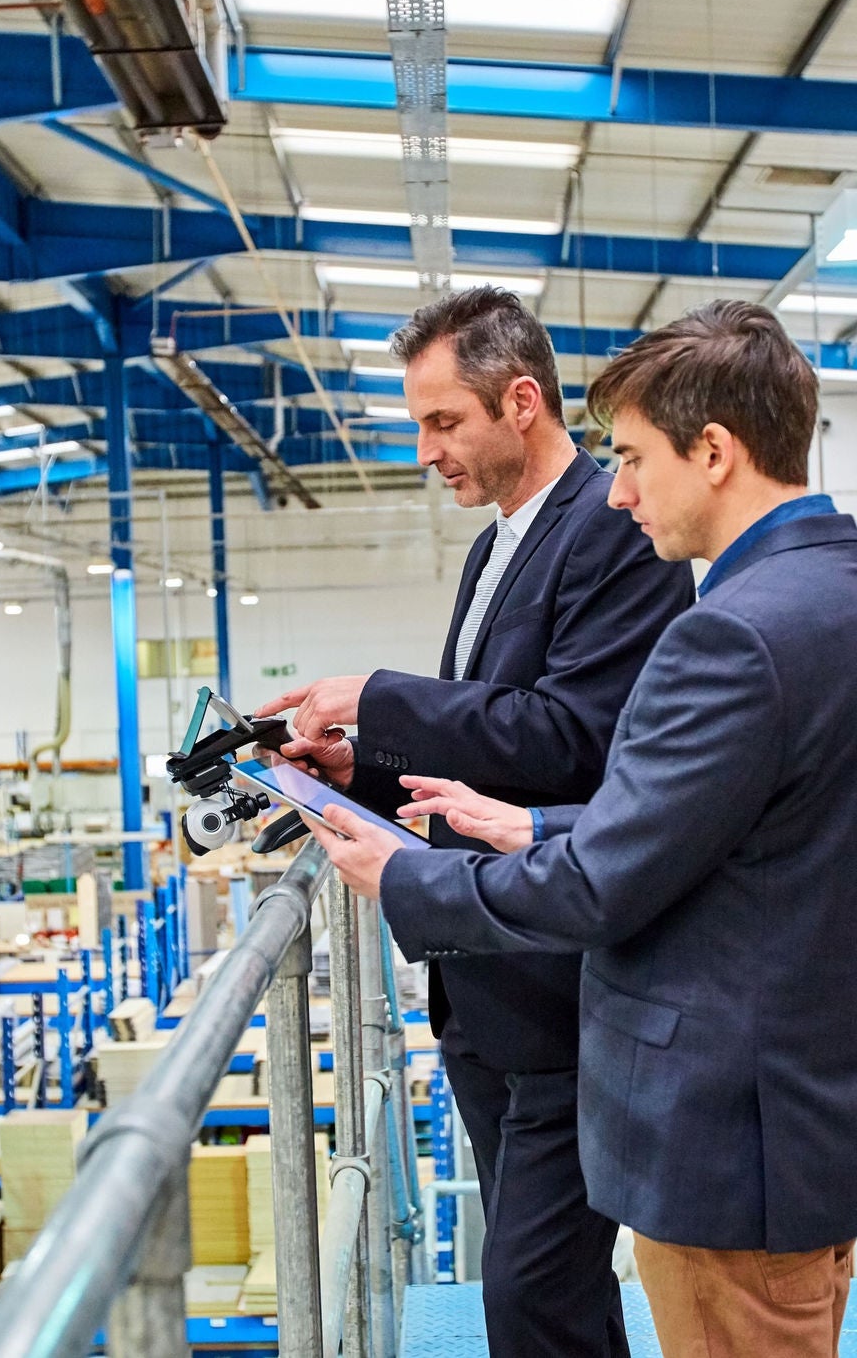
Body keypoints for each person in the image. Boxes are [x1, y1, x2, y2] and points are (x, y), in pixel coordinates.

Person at [304, 300, 857, 1358]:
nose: (619, 490)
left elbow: (600, 887)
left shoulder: (732, 635)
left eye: (637, 457)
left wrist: (406, 879)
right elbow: (731, 825)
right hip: (806, 1120)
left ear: (713, 451)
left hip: (727, 1143)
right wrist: (530, 823)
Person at [255, 286, 694, 1358]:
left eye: (441, 421)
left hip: (561, 992)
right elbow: (485, 745)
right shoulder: (495, 545)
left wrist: (380, 693)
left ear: (521, 402)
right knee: (555, 1297)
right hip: (486, 995)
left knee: (529, 1299)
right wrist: (359, 769)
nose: (424, 449)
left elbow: (569, 739)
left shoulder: (612, 531)